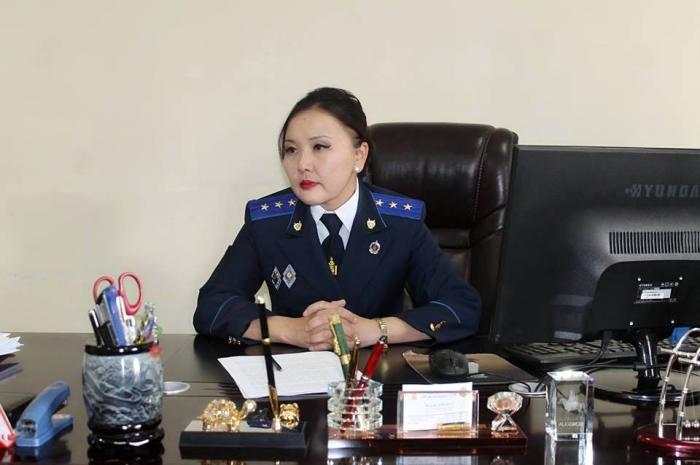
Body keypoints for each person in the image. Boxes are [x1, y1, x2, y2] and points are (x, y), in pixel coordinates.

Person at [193, 87, 481, 350]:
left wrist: (375, 330)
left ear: (359, 155)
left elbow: (461, 306)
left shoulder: (400, 222)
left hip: (377, 375)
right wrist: (289, 329)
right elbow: (212, 305)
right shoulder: (268, 221)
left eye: (320, 147)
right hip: (295, 377)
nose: (302, 164)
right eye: (291, 150)